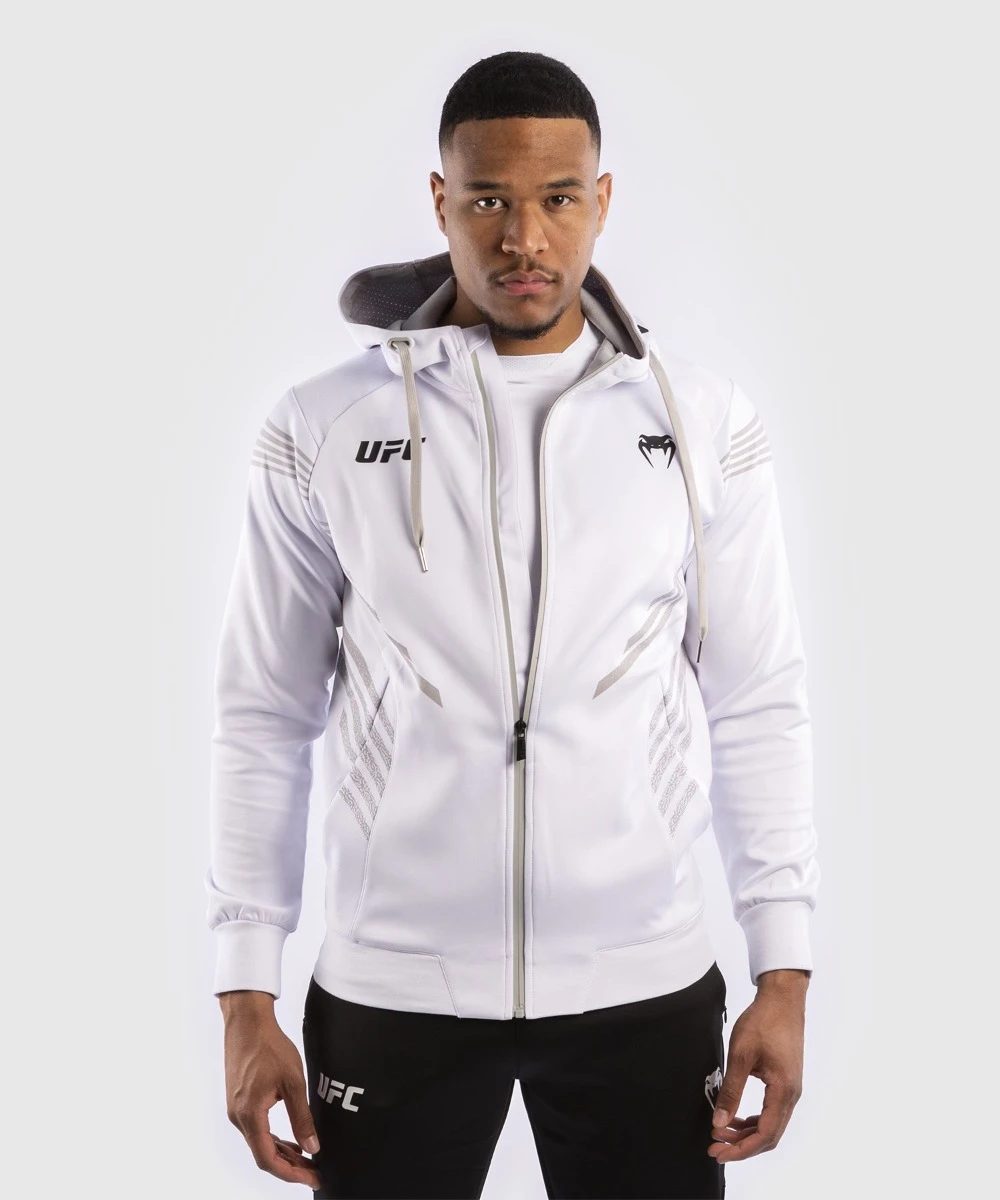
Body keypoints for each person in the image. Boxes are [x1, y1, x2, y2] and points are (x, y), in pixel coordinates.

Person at [206, 49, 820, 1200]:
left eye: (558, 198)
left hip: (644, 985)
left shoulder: (702, 423)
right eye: (487, 200)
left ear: (603, 200)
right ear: (440, 201)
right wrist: (246, 990)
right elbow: (264, 716)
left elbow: (755, 699)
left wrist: (781, 968)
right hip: (392, 991)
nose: (524, 238)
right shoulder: (322, 427)